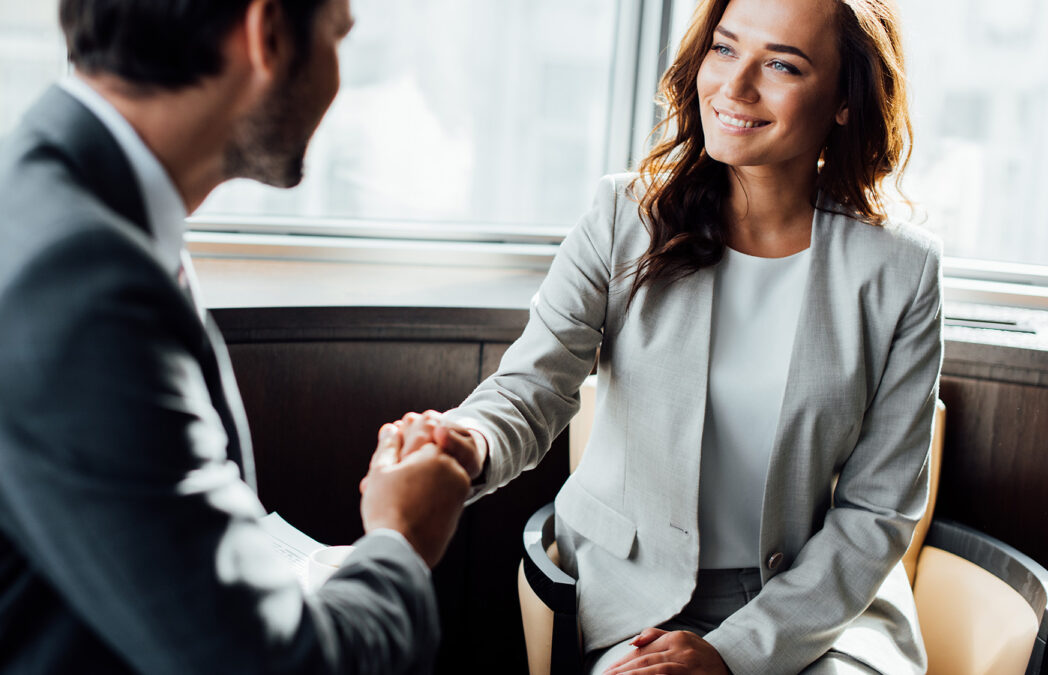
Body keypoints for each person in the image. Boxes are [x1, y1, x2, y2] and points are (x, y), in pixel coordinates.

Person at [0, 0, 472, 672]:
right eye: (336, 37)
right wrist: (400, 536)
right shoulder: (73, 285)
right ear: (267, 36)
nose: (339, 80)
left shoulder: (70, 205)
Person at [390, 0, 941, 672]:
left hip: (811, 605)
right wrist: (464, 442)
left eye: (781, 64)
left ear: (846, 99)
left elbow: (876, 513)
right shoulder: (623, 217)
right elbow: (534, 386)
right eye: (725, 48)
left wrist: (729, 654)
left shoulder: (901, 271)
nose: (735, 88)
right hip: (637, 592)